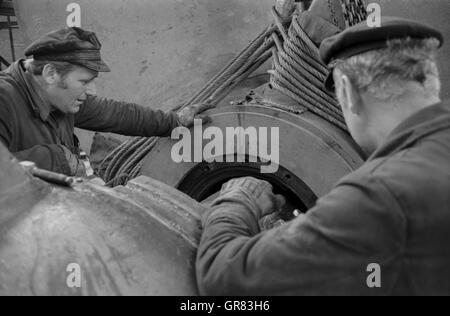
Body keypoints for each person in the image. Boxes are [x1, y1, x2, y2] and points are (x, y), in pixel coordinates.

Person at [196, 17, 450, 295]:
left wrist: (238, 200)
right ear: (431, 80)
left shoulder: (379, 195)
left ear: (348, 93)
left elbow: (224, 278)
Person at [0, 27, 212, 176]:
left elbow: (117, 114)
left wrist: (174, 122)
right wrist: (54, 160)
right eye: (84, 81)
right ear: (50, 74)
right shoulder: (5, 101)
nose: (91, 91)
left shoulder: (60, 98)